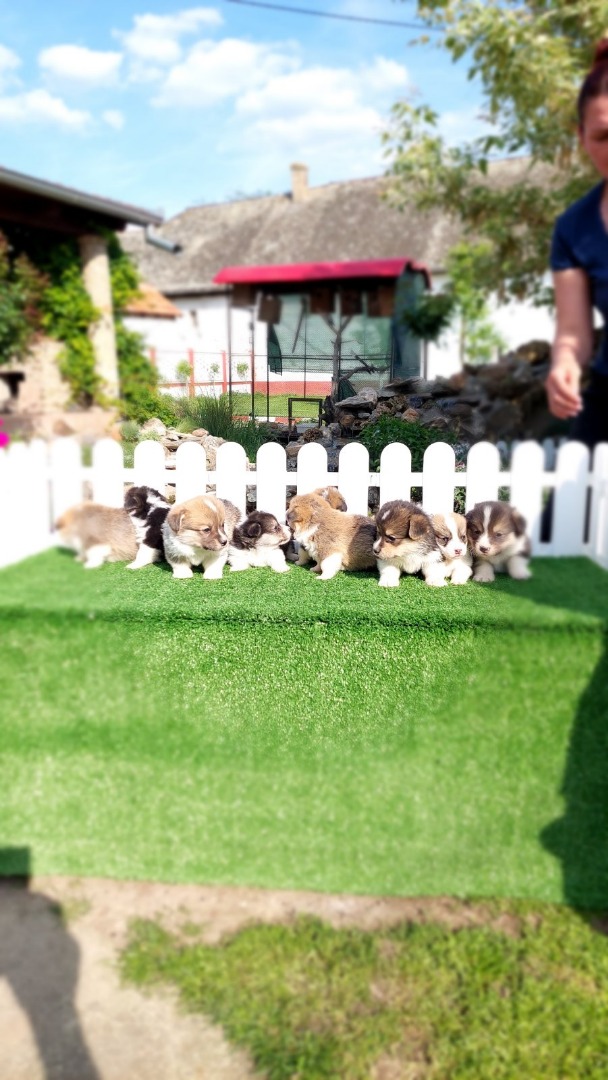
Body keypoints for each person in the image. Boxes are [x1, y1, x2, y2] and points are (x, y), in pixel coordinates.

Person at [546, 37, 608, 448]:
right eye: (603, 135)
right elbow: (573, 331)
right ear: (581, 136)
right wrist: (565, 362)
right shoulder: (573, 227)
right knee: (574, 494)